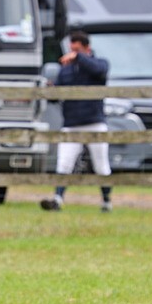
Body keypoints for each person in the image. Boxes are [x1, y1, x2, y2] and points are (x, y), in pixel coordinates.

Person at [41, 31, 113, 212]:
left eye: (77, 49)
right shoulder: (66, 70)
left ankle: (106, 201)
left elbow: (99, 70)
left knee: (101, 165)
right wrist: (52, 90)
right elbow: (57, 96)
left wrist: (79, 57)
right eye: (72, 50)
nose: (72, 53)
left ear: (86, 48)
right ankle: (58, 199)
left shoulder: (99, 64)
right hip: (72, 123)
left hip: (94, 122)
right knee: (64, 163)